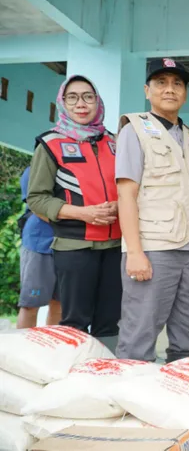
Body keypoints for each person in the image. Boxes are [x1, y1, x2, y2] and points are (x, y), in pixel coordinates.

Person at [114, 58, 189, 363]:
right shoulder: (135, 130)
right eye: (161, 83)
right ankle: (130, 402)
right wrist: (134, 251)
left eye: (177, 83)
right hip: (153, 248)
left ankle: (180, 397)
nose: (169, 89)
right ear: (148, 90)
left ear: (184, 93)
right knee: (139, 336)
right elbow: (126, 194)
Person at [26, 75, 122, 352]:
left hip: (115, 246)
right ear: (63, 103)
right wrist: (84, 214)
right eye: (73, 97)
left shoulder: (114, 142)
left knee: (110, 321)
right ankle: (74, 378)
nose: (81, 104)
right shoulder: (50, 144)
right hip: (74, 247)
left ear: (98, 101)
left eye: (88, 97)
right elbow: (37, 199)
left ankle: (105, 374)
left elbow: (128, 187)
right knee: (76, 320)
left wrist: (120, 205)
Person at [16, 166, 61, 329]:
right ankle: (22, 352)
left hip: (69, 244)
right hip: (40, 242)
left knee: (59, 304)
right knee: (30, 304)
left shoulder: (75, 167)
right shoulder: (33, 170)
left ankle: (51, 352)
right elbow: (36, 205)